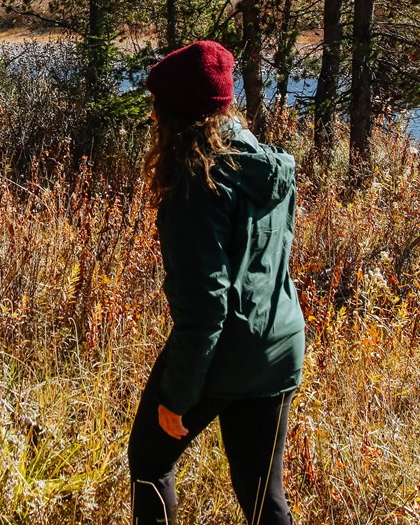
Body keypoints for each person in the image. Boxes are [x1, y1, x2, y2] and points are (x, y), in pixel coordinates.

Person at [129, 40, 305, 525]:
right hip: (280, 345)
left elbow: (206, 308)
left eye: (156, 106)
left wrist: (177, 397)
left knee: (150, 461)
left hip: (225, 353)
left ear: (173, 113)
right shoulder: (266, 165)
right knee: (263, 499)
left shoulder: (194, 185)